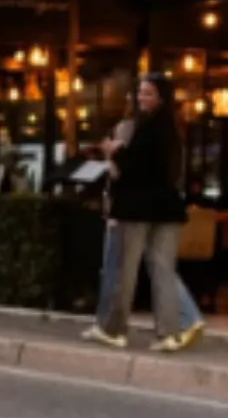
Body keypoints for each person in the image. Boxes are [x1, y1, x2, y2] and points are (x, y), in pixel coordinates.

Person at [85, 96, 205, 347]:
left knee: (117, 267)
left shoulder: (129, 129)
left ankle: (111, 327)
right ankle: (186, 318)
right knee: (158, 265)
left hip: (131, 207)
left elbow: (121, 170)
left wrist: (111, 152)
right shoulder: (170, 132)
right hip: (159, 208)